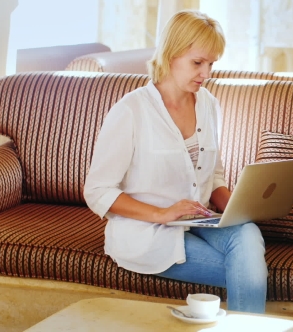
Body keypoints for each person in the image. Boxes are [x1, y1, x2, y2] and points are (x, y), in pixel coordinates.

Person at [83, 10, 267, 314]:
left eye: (211, 64)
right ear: (170, 54)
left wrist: (237, 206)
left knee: (247, 232)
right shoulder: (131, 111)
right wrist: (162, 214)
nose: (206, 73)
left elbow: (214, 176)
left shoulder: (209, 104)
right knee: (249, 272)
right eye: (198, 62)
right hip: (149, 232)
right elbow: (98, 191)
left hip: (199, 219)